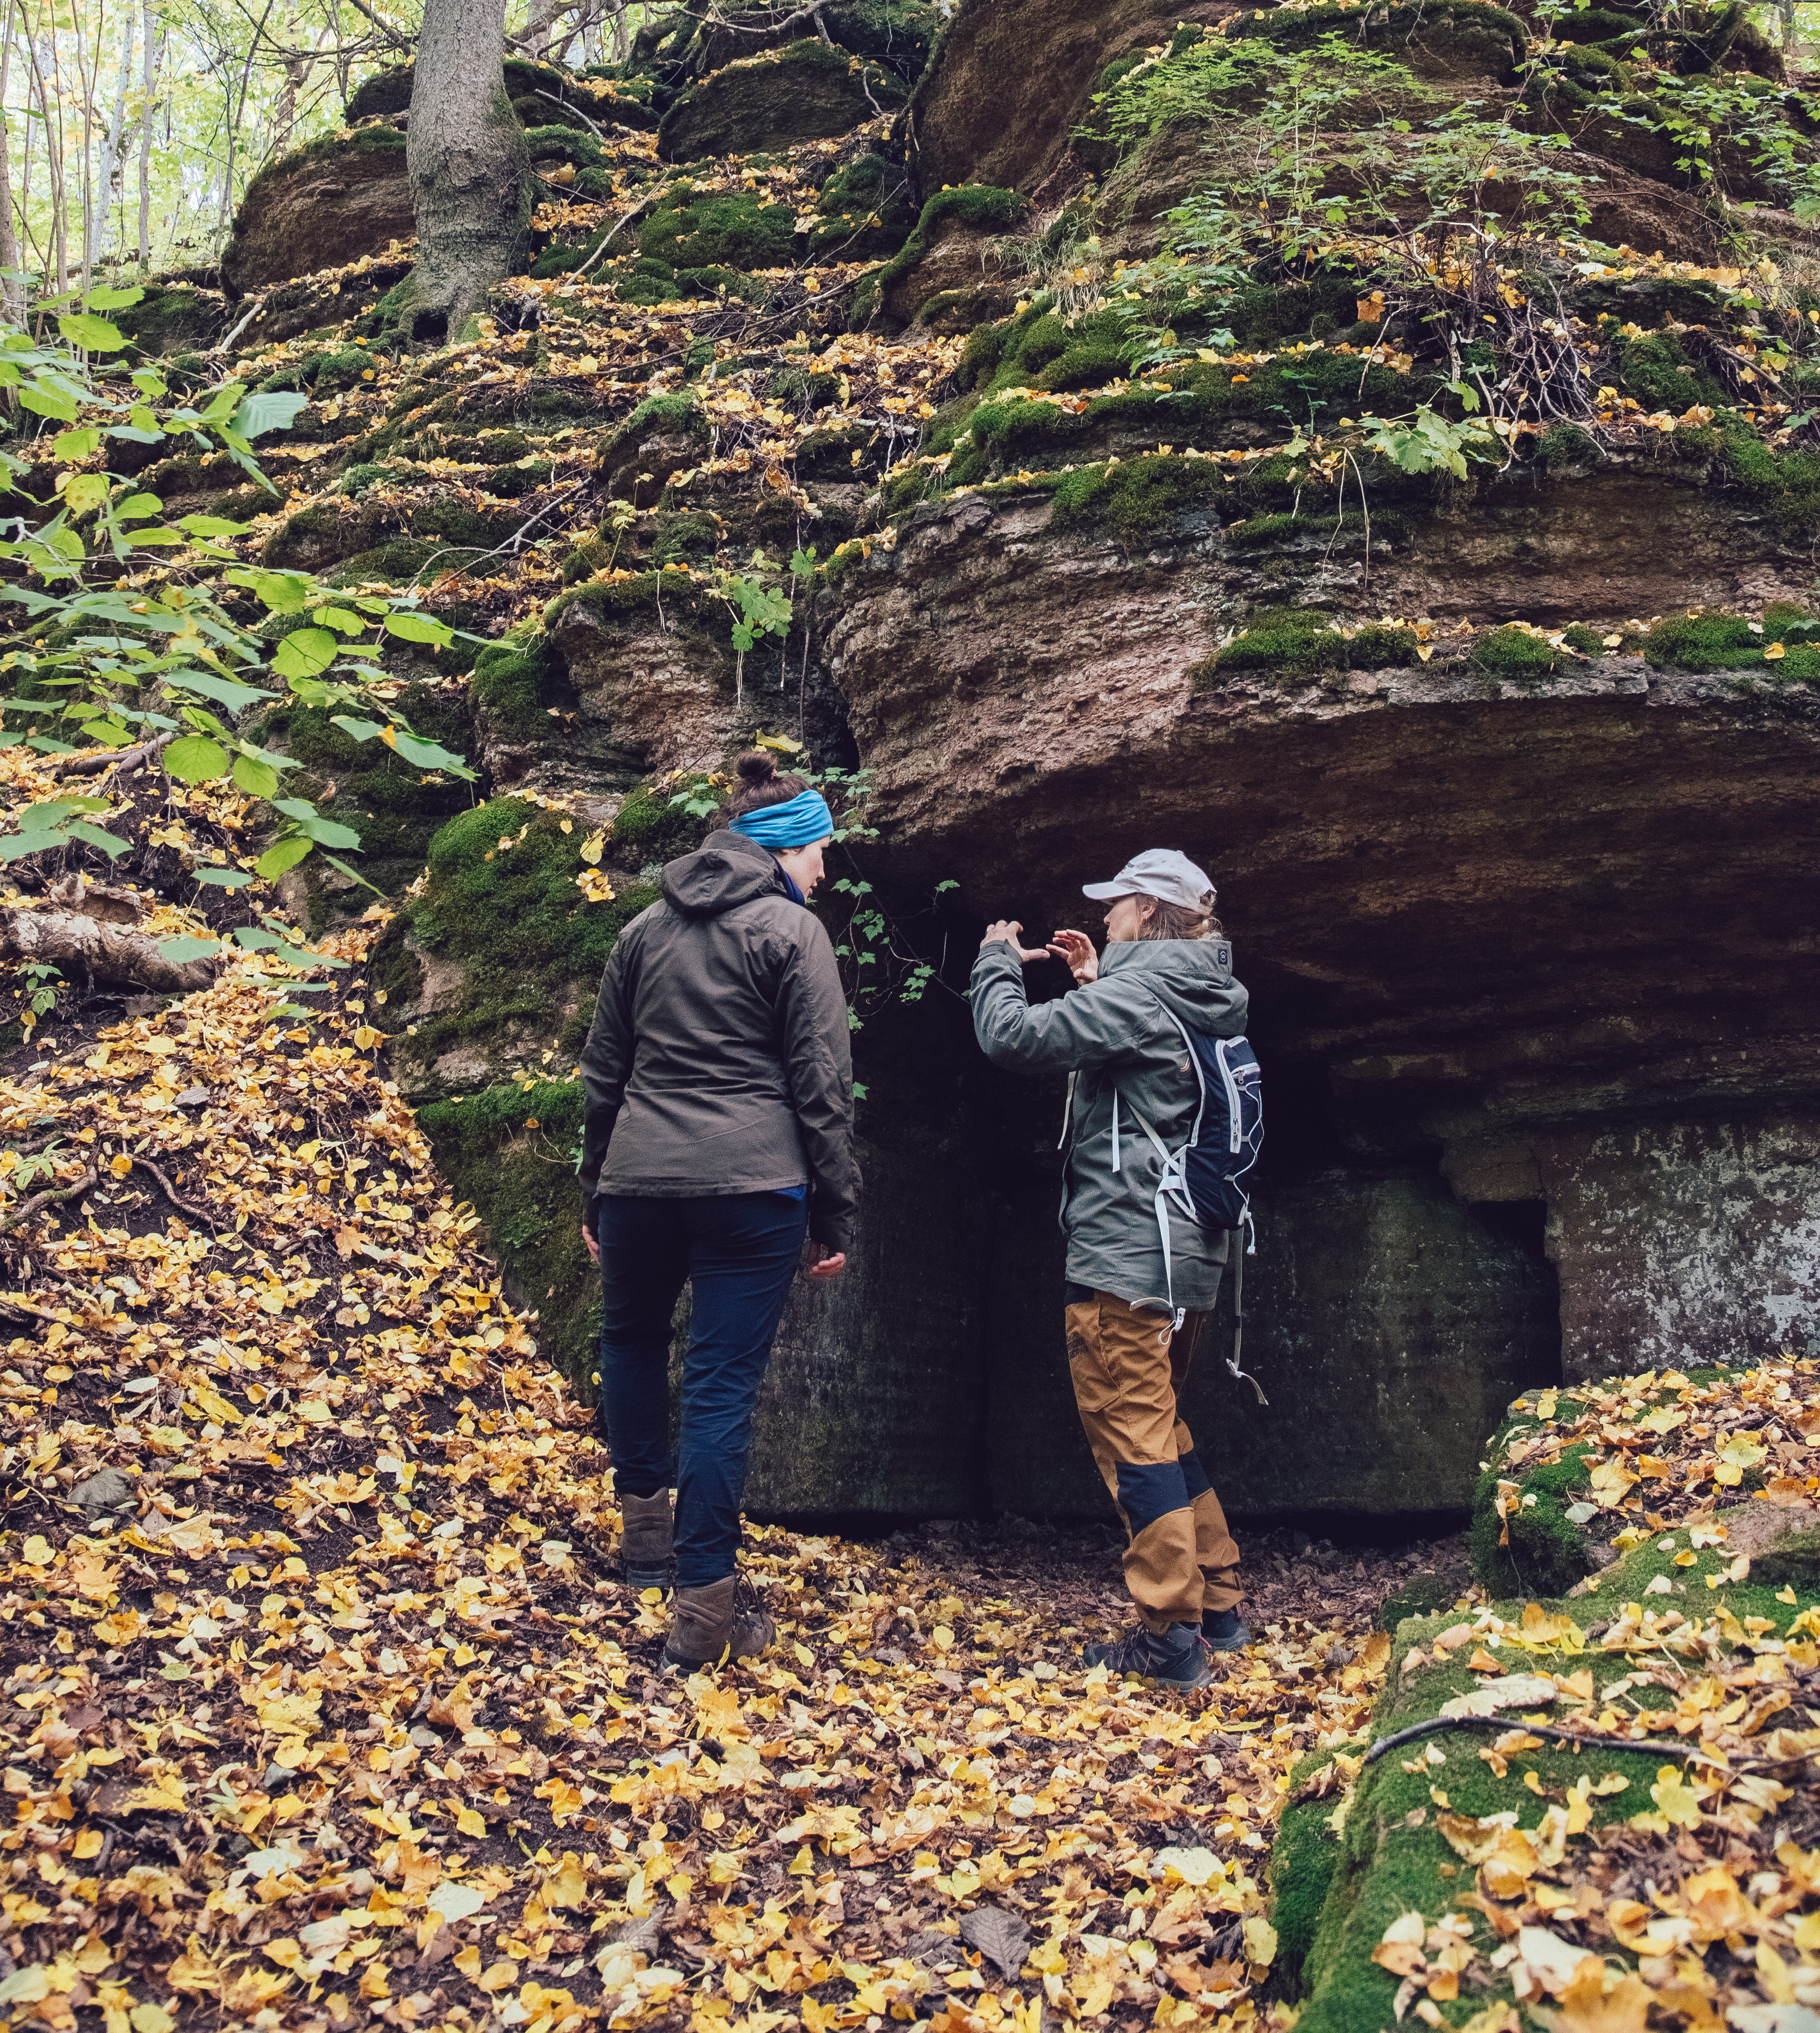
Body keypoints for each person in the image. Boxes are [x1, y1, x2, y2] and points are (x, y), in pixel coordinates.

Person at [577, 751, 858, 1673]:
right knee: (719, 1383)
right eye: (820, 850)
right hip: (752, 1185)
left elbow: (603, 1075)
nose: (826, 867)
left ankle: (645, 1547)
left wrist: (597, 1186)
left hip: (639, 1185)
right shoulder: (791, 929)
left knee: (629, 1343)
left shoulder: (643, 930)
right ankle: (702, 1616)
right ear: (785, 849)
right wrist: (833, 1211)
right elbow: (822, 1082)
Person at [972, 849, 1251, 1691]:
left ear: (1147, 912)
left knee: (1134, 1442)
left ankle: (1170, 1633)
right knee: (1162, 1432)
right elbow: (1153, 1081)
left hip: (1127, 1255)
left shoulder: (1138, 995)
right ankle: (1220, 1607)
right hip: (1184, 1252)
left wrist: (994, 960)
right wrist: (1097, 983)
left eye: (1115, 908)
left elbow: (1010, 1036)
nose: (1103, 920)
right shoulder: (1199, 992)